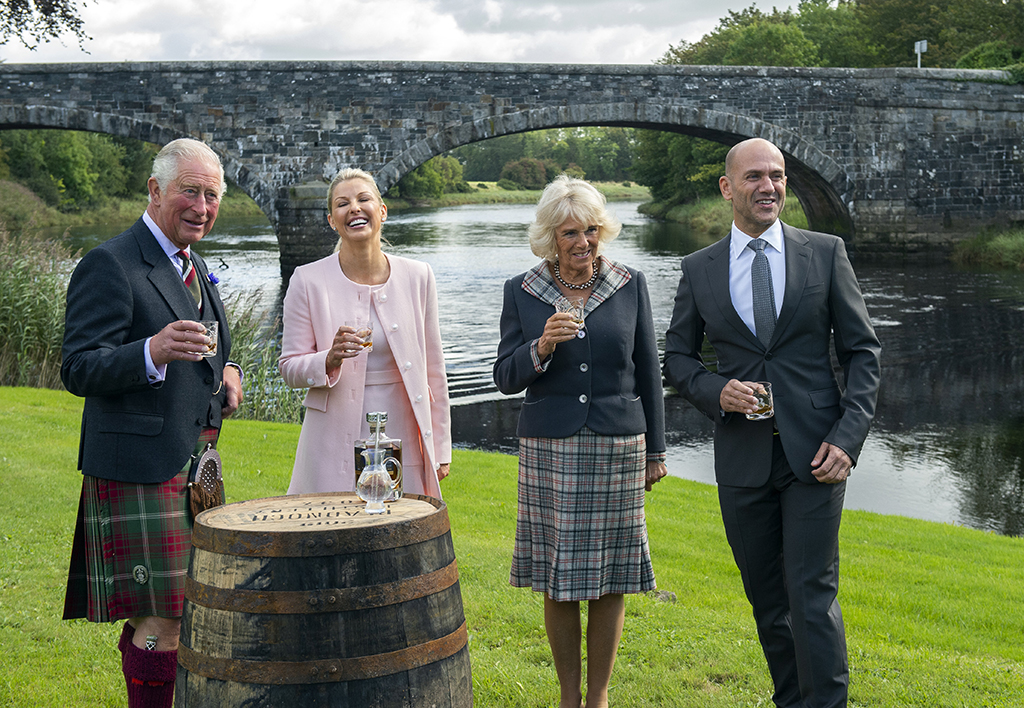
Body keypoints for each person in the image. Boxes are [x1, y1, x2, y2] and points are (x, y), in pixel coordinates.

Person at [663, 138, 881, 708]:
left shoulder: (825, 252)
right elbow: (678, 359)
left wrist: (848, 438)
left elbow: (863, 353)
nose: (769, 186)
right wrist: (718, 391)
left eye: (778, 175)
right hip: (742, 458)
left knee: (810, 597)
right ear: (727, 187)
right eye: (755, 176)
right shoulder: (699, 268)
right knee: (767, 600)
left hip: (818, 453)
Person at [61, 138, 243, 708]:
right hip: (140, 467)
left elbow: (212, 340)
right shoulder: (110, 263)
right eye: (190, 191)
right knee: (162, 620)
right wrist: (151, 351)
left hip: (193, 466)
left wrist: (229, 367)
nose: (202, 205)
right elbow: (79, 366)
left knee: (180, 611)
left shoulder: (192, 263)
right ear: (155, 190)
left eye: (212, 195)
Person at [493, 175, 668, 708]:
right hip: (551, 448)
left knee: (612, 576)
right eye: (570, 232)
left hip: (619, 445)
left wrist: (656, 450)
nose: (583, 243)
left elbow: (647, 371)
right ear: (550, 236)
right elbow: (505, 376)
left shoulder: (629, 282)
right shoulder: (522, 291)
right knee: (558, 577)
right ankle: (569, 697)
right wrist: (541, 345)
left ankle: (598, 698)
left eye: (591, 230)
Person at [279, 168, 451, 497]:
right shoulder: (306, 280)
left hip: (404, 433)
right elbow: (289, 368)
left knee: (400, 534)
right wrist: (326, 359)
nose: (354, 208)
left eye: (363, 199)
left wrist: (440, 449)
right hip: (330, 440)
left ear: (382, 211)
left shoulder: (419, 276)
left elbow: (434, 369)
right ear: (332, 220)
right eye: (342, 204)